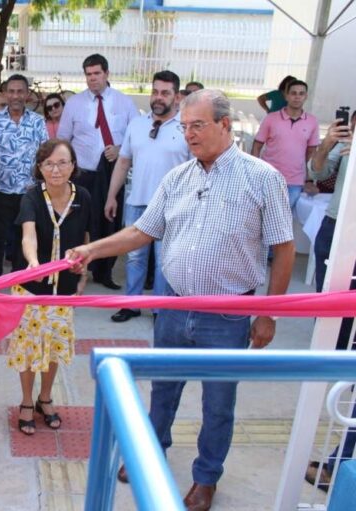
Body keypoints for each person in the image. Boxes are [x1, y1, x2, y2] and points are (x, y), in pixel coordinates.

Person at [67, 90, 295, 511]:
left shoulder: (262, 178)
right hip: (172, 305)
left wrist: (268, 314)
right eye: (184, 126)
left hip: (227, 314)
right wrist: (92, 250)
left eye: (198, 125)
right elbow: (143, 231)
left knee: (218, 403)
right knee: (163, 390)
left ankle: (206, 478)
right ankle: (150, 452)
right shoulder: (178, 177)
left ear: (225, 126)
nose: (188, 135)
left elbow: (283, 247)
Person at [8, 139, 90, 436]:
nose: (56, 169)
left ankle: (45, 397)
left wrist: (84, 272)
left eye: (63, 162)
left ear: (73, 166)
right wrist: (33, 262)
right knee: (29, 347)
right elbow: (28, 234)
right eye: (49, 164)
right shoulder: (31, 197)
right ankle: (27, 401)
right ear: (40, 168)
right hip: (32, 287)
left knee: (54, 346)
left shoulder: (83, 196)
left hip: (64, 287)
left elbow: (86, 237)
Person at [104, 71, 190, 323]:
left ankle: (160, 309)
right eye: (155, 91)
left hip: (171, 206)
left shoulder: (186, 128)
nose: (158, 98)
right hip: (136, 203)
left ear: (176, 97)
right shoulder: (137, 125)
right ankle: (131, 304)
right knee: (134, 256)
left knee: (164, 260)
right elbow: (123, 162)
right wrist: (112, 196)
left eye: (165, 93)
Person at [305, 110, 355, 491]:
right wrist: (328, 144)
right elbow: (318, 175)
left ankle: (339, 467)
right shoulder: (344, 145)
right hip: (337, 231)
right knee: (332, 315)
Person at [57, 53, 138, 289]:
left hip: (113, 174)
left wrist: (121, 149)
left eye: (97, 74)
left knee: (108, 223)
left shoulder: (124, 103)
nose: (92, 79)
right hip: (83, 173)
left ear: (107, 73)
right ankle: (73, 269)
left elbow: (137, 137)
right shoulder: (74, 104)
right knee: (78, 223)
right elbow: (63, 139)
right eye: (88, 75)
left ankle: (105, 272)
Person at [0, 74, 48, 280]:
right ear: (5, 94)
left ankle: (19, 277)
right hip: (0, 190)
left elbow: (44, 157)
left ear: (27, 94)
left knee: (25, 236)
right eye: (11, 91)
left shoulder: (38, 122)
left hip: (28, 191)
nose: (16, 96)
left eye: (20, 91)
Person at [251, 79, 318, 211]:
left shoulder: (312, 121)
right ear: (286, 96)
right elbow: (257, 146)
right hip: (269, 178)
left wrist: (309, 180)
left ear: (306, 96)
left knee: (284, 221)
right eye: (293, 93)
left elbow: (311, 152)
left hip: (295, 181)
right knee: (262, 219)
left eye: (301, 93)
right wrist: (253, 173)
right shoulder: (271, 118)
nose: (297, 97)